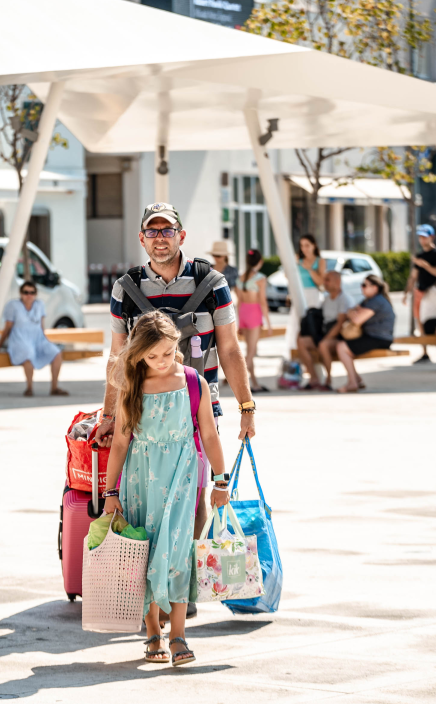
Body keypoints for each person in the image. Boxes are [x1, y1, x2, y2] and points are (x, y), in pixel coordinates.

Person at [96, 202, 255, 620]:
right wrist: (108, 415)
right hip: (141, 411)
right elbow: (116, 360)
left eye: (168, 230)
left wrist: (247, 404)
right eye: (153, 230)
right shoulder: (125, 288)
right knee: (143, 504)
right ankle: (152, 594)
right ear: (142, 239)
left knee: (194, 502)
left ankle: (179, 586)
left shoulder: (212, 282)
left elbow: (231, 348)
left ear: (181, 236)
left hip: (199, 406)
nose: (161, 237)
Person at [102, 311, 229, 666]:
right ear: (138, 354)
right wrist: (110, 494)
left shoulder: (193, 382)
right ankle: (152, 633)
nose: (160, 362)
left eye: (168, 352)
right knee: (145, 552)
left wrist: (221, 481)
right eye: (151, 356)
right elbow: (121, 444)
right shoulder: (132, 385)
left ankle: (178, 635)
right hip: (141, 479)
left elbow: (209, 435)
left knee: (177, 552)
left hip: (182, 479)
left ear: (178, 345)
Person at [0, 281, 68, 397]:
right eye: (26, 292)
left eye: (32, 292)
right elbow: (8, 326)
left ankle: (54, 388)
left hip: (38, 338)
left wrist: (45, 341)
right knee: (27, 353)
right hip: (19, 339)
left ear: (36, 294)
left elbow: (41, 325)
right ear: (20, 293)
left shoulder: (39, 304)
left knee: (56, 353)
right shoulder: (12, 305)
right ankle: (29, 388)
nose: (29, 295)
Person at [335, 274, 395, 393]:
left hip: (379, 338)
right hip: (374, 336)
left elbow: (356, 319)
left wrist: (353, 313)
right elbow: (351, 312)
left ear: (375, 288)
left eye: (364, 285)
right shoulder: (368, 300)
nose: (362, 288)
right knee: (341, 345)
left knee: (342, 347)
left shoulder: (376, 301)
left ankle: (353, 383)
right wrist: (353, 313)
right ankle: (356, 379)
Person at [297, 270, 352, 391]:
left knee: (323, 345)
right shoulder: (326, 298)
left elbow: (340, 324)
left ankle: (328, 380)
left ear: (337, 282)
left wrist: (325, 339)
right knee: (301, 341)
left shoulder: (344, 299)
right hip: (324, 333)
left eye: (328, 280)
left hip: (338, 337)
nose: (325, 282)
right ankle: (314, 378)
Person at [404, 224, 436, 364]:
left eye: (424, 237)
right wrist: (406, 293)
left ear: (431, 237)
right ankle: (425, 352)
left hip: (433, 293)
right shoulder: (419, 255)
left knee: (435, 321)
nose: (422, 239)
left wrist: (424, 265)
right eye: (420, 237)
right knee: (419, 322)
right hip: (420, 292)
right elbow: (413, 276)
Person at [237, 249, 272, 393]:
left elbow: (239, 302)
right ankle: (242, 385)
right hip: (254, 313)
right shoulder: (260, 278)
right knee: (251, 352)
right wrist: (269, 324)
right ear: (260, 262)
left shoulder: (241, 278)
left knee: (249, 351)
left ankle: (255, 383)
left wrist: (239, 322)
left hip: (244, 313)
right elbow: (262, 302)